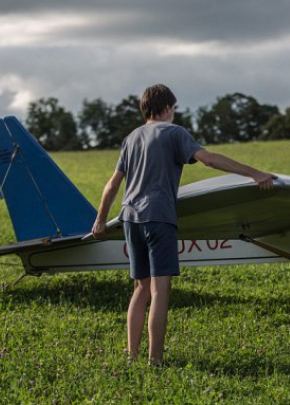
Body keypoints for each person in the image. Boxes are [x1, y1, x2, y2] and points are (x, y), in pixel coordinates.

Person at [91, 84, 274, 365]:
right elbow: (209, 160)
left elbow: (113, 184)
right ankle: (156, 360)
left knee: (141, 287)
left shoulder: (131, 138)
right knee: (159, 288)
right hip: (158, 216)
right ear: (166, 108)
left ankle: (132, 354)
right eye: (173, 109)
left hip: (129, 217)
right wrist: (254, 173)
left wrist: (101, 220)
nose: (173, 114)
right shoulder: (175, 133)